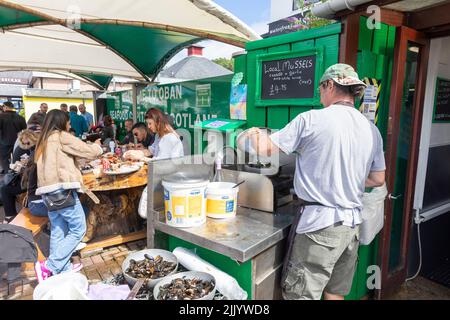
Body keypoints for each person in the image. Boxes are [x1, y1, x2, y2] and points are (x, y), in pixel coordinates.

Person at [244, 64, 386, 300]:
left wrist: (252, 133)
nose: (320, 96)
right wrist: (345, 181)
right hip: (351, 227)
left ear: (330, 84)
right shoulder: (371, 129)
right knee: (335, 293)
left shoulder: (312, 119)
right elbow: (378, 178)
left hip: (319, 228)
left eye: (321, 89)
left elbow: (264, 149)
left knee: (301, 296)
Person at [33, 109, 103, 282]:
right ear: (61, 122)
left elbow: (62, 160)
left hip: (47, 192)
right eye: (68, 122)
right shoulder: (61, 136)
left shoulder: (44, 139)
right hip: (62, 191)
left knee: (59, 230)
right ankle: (49, 266)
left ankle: (59, 273)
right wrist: (97, 146)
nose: (69, 125)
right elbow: (88, 151)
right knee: (79, 229)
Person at [0, 129, 38, 221]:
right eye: (23, 143)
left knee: (5, 189)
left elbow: (36, 168)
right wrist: (19, 166)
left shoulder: (38, 148)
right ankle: (11, 215)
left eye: (28, 143)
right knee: (4, 187)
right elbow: (16, 168)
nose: (26, 146)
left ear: (33, 139)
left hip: (32, 180)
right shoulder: (20, 149)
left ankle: (10, 216)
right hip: (26, 177)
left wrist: (27, 164)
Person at [0, 101, 27, 174]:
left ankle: (7, 173)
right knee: (17, 157)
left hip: (3, 142)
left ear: (5, 107)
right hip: (17, 141)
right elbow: (24, 130)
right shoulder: (20, 117)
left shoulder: (1, 116)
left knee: (4, 159)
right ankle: (15, 173)